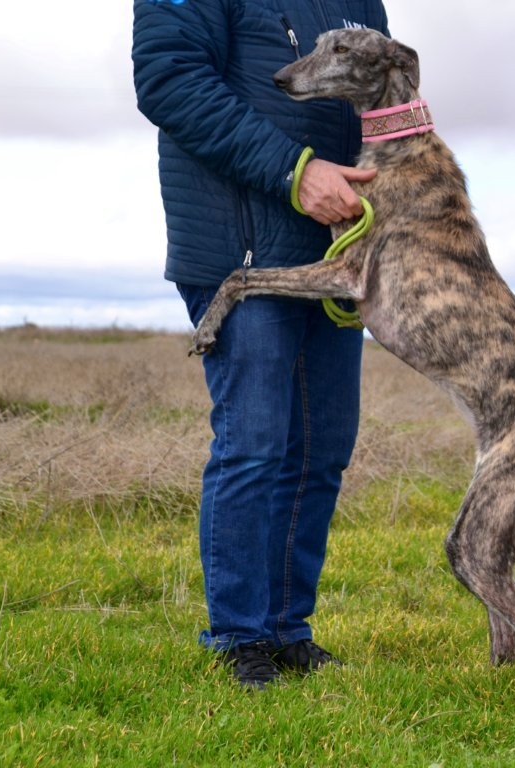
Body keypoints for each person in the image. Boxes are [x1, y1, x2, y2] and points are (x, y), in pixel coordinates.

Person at [132, 0, 389, 688]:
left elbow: (379, 89)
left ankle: (286, 630)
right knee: (255, 444)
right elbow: (168, 80)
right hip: (238, 249)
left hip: (336, 254)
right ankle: (240, 637)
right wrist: (295, 172)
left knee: (321, 447)